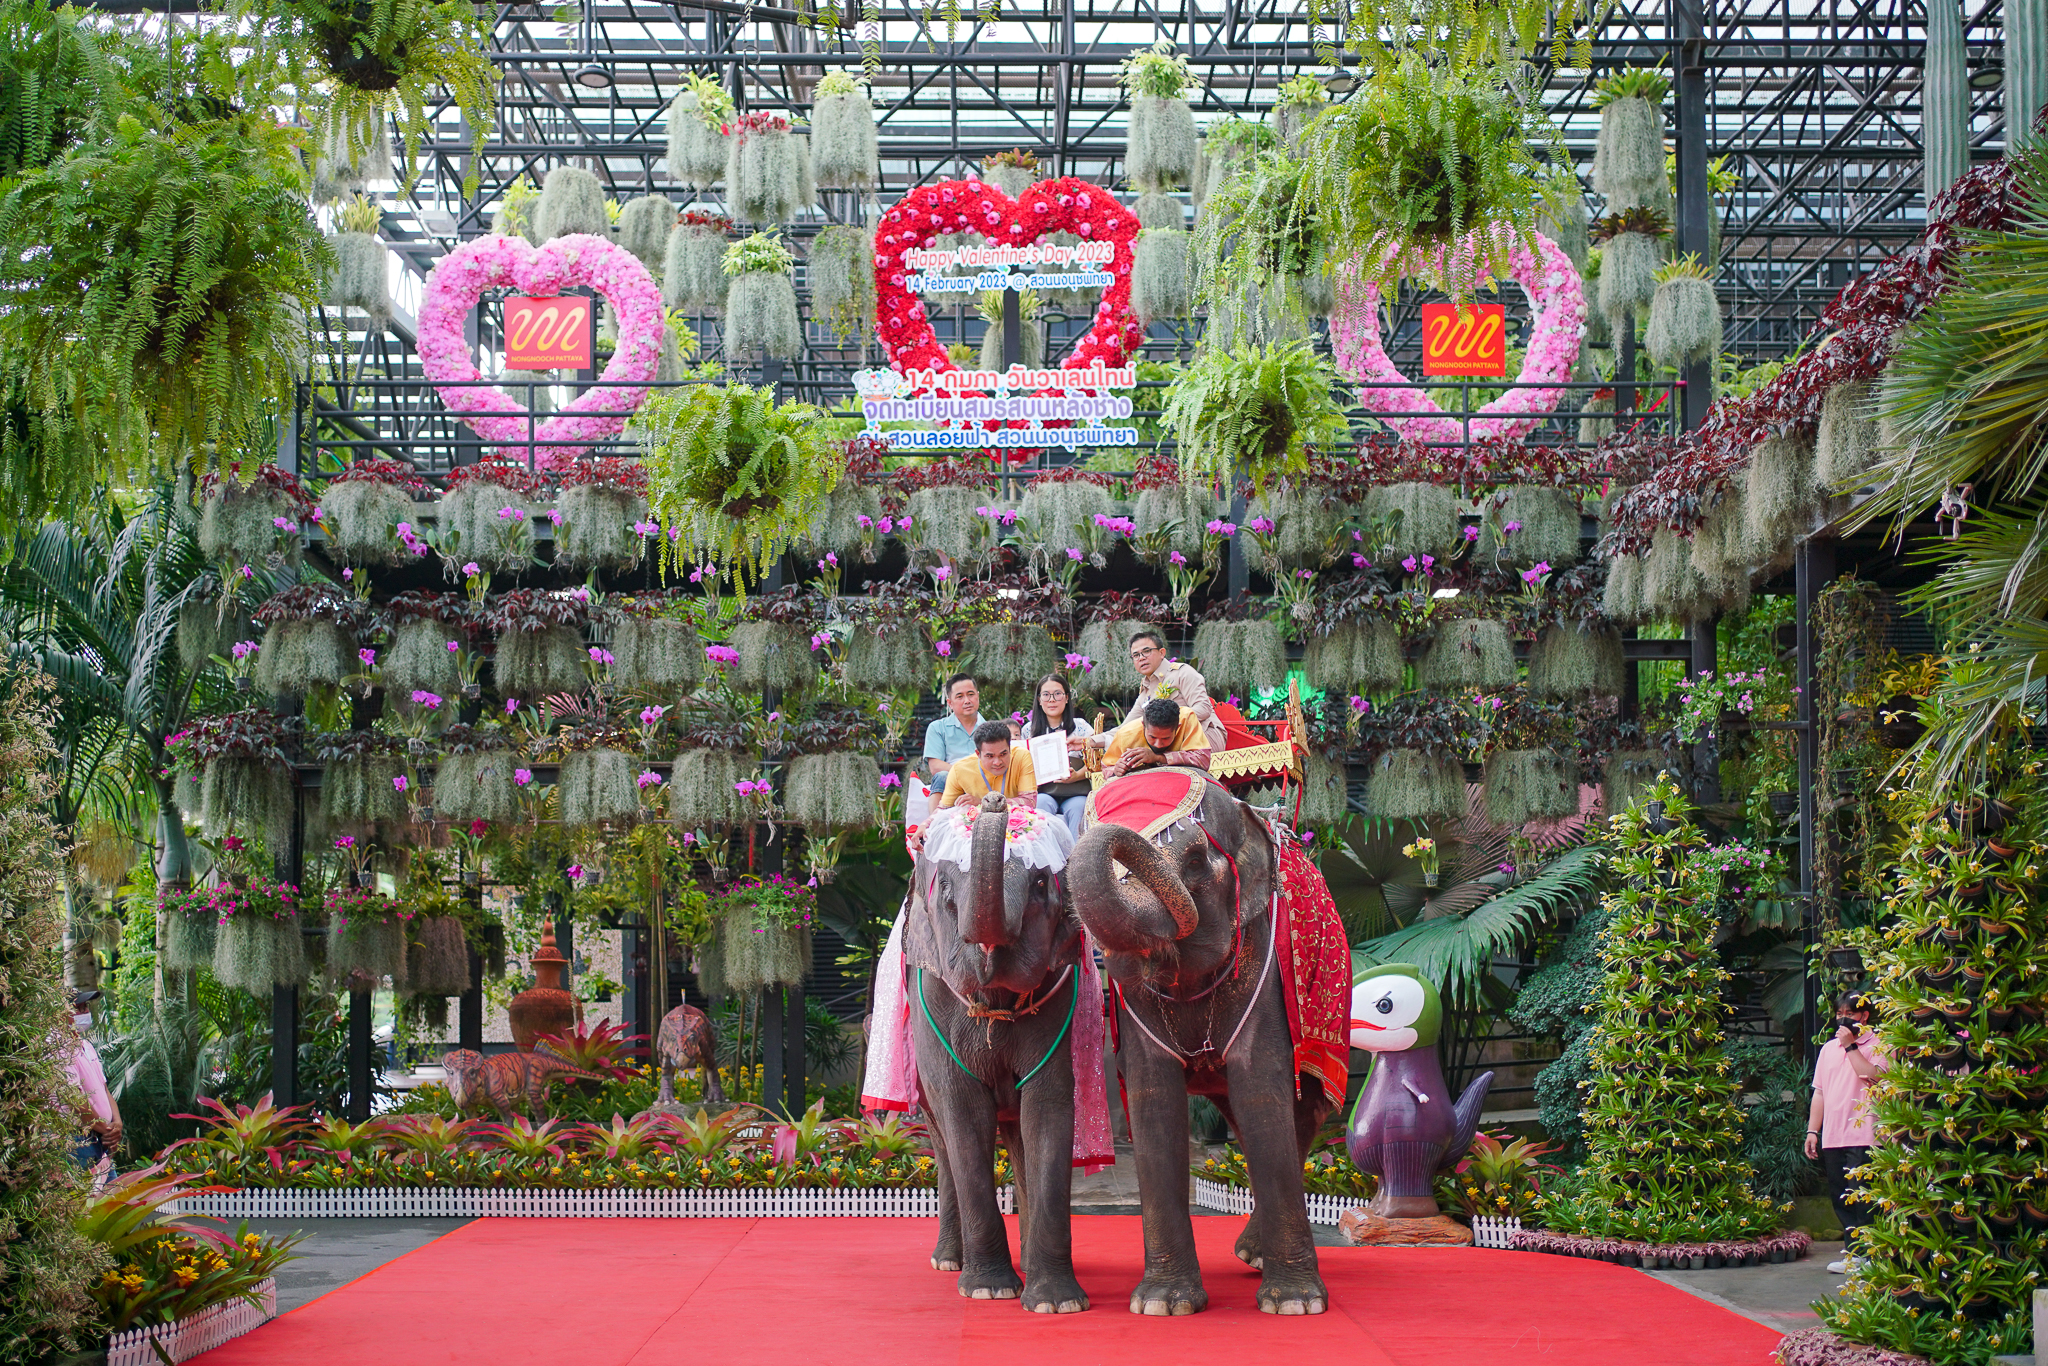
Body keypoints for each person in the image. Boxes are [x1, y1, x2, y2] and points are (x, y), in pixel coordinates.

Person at [1805, 991, 1887, 1274]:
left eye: (1849, 1014)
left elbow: (1874, 1075)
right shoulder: (1828, 1049)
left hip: (1866, 1134)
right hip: (1834, 1136)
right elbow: (1819, 1092)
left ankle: (1872, 1254)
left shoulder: (1880, 1044)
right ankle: (1854, 1254)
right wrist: (1813, 1130)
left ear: (1864, 1016)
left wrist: (1851, 1046)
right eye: (1839, 1014)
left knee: (1865, 1196)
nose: (1842, 1019)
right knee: (1841, 1197)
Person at [1123, 630, 1227, 752]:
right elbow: (1126, 727)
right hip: (1167, 743)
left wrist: (1168, 722)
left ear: (1162, 653)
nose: (1141, 658)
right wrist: (1102, 738)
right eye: (1136, 655)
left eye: (1146, 651)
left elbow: (1203, 709)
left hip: (1203, 738)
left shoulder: (1182, 673)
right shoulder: (1146, 690)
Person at [1025, 673, 1094, 837]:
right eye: (1046, 695)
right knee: (1041, 804)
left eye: (1057, 694)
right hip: (1045, 791)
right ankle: (1045, 851)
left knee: (1079, 807)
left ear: (1067, 697)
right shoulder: (1028, 730)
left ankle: (1077, 853)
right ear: (1039, 700)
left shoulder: (1081, 727)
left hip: (1075, 791)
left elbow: (1097, 761)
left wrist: (1076, 776)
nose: (1052, 700)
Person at [63, 988, 121, 1182]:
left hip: (99, 1138)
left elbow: (104, 1089)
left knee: (111, 1197)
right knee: (86, 1198)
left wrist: (117, 1124)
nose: (85, 1012)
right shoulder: (57, 1047)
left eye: (85, 1006)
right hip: (78, 1141)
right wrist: (108, 1130)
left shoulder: (86, 1045)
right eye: (78, 1008)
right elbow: (73, 1098)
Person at [1101, 697, 1212, 777]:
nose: (1158, 744)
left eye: (1166, 738)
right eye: (1152, 737)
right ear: (1143, 726)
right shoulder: (1125, 734)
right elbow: (1106, 768)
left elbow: (1203, 759)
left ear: (1177, 728)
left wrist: (1158, 758)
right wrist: (1116, 769)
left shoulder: (1187, 719)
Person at [922, 674, 985, 781]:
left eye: (971, 694)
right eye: (960, 697)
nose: (967, 701)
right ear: (950, 703)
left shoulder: (992, 729)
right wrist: (967, 775)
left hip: (985, 783)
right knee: (941, 776)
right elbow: (935, 766)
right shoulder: (938, 728)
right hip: (951, 782)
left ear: (977, 696)